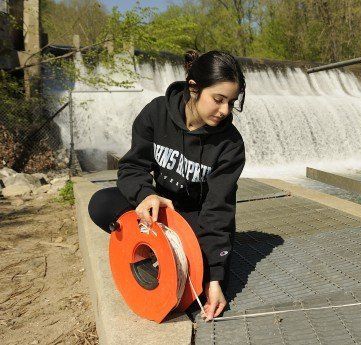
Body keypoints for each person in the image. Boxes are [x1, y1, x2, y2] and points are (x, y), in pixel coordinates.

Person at [88, 50, 246, 321]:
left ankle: (170, 253)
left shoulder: (230, 144)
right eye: (218, 100)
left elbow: (218, 209)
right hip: (157, 206)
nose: (225, 111)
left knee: (203, 284)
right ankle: (156, 248)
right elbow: (132, 167)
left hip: (196, 218)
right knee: (101, 205)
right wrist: (146, 194)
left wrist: (216, 278)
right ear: (194, 88)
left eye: (231, 102)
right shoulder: (156, 113)